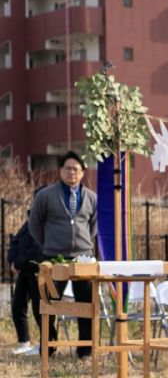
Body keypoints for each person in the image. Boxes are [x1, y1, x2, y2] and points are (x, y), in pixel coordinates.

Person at [28, 152, 98, 358]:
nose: (71, 172)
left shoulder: (92, 198)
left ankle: (85, 350)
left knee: (86, 303)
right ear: (60, 171)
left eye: (76, 169)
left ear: (83, 172)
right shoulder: (45, 195)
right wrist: (48, 244)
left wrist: (83, 244)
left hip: (83, 259)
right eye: (67, 168)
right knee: (48, 302)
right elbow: (35, 225)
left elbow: (94, 226)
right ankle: (48, 345)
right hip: (53, 257)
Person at [7, 208, 43, 355]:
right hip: (23, 273)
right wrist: (13, 261)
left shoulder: (46, 223)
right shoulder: (28, 223)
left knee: (39, 309)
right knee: (17, 306)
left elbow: (37, 250)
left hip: (38, 271)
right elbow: (15, 242)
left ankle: (45, 344)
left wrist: (18, 263)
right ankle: (24, 342)